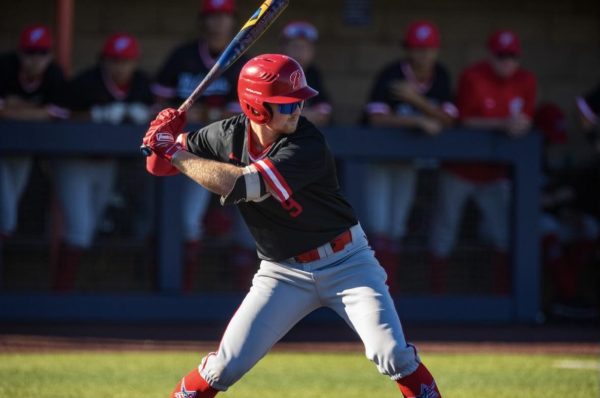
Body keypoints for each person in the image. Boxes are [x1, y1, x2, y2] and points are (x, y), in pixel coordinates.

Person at [142, 54, 443, 398]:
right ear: (256, 108)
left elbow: (242, 186)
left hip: (348, 264)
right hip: (282, 273)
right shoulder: (225, 134)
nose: (298, 110)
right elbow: (159, 168)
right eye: (287, 105)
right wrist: (160, 138)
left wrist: (175, 152)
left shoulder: (306, 143)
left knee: (392, 355)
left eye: (300, 101)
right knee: (223, 366)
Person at [152, 0, 251, 292]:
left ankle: (240, 296)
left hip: (235, 156)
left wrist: (207, 114)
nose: (217, 24)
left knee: (246, 230)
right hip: (190, 152)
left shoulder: (245, 62)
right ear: (202, 21)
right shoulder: (182, 57)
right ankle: (182, 291)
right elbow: (159, 103)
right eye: (212, 17)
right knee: (186, 223)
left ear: (233, 22)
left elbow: (245, 115)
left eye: (223, 17)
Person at [428, 29, 537, 294]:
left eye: (512, 56)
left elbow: (528, 119)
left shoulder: (526, 80)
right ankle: (436, 296)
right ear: (491, 55)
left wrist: (521, 125)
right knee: (444, 233)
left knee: (503, 235)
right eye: (501, 56)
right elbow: (463, 119)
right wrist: (503, 124)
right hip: (459, 170)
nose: (507, 62)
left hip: (495, 173)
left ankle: (502, 297)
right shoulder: (474, 76)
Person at [52, 33, 153, 291]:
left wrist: (146, 115)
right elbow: (57, 115)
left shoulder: (141, 83)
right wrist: (93, 115)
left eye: (126, 61)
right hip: (75, 163)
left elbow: (161, 107)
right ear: (104, 61)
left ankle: (68, 290)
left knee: (90, 228)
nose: (120, 67)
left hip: (107, 165)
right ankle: (61, 293)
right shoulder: (86, 82)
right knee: (79, 230)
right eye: (114, 60)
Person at [363, 20, 457, 293]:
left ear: (436, 51)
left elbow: (449, 119)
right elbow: (376, 119)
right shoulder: (391, 74)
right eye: (417, 49)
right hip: (378, 160)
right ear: (408, 50)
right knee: (377, 226)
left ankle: (387, 287)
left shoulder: (440, 75)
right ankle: (372, 290)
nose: (423, 55)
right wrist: (419, 121)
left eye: (428, 49)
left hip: (407, 163)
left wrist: (417, 102)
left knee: (396, 228)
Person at [0, 24, 68, 287]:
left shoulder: (53, 75)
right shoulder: (5, 68)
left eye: (41, 54)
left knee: (7, 219)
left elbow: (57, 114)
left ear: (49, 56)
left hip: (22, 154)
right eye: (29, 53)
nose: (34, 60)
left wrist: (13, 107)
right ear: (20, 54)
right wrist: (36, 110)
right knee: (5, 217)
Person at [536, 103, 599, 318]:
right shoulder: (521, 150)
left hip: (557, 218)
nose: (552, 142)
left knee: (589, 227)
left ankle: (570, 291)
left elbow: (572, 196)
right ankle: (566, 293)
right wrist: (550, 200)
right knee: (547, 226)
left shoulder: (560, 160)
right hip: (522, 227)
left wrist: (568, 209)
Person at [280, 21, 332, 126]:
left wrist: (293, 115)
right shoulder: (275, 72)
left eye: (305, 47)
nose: (300, 52)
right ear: (284, 48)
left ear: (313, 51)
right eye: (295, 47)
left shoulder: (313, 73)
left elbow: (323, 114)